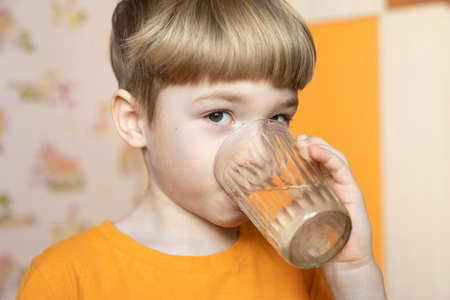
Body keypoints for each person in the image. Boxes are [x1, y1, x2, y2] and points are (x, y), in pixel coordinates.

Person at [16, 0, 387, 299]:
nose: (262, 153)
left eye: (277, 118)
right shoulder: (66, 279)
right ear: (134, 120)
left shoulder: (299, 263)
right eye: (218, 114)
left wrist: (353, 271)